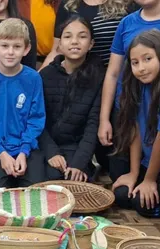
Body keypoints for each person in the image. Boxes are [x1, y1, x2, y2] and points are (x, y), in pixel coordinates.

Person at [98, 0, 160, 148]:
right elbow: (113, 73)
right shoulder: (126, 23)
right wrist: (104, 119)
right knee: (122, 168)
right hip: (128, 113)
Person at [109, 30, 160, 218]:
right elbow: (135, 129)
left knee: (144, 206)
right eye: (135, 63)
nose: (141, 68)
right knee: (121, 195)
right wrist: (134, 173)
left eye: (148, 59)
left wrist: (149, 180)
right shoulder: (139, 82)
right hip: (151, 162)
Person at [0, 18, 51, 189]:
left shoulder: (33, 78)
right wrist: (2, 153)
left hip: (27, 148)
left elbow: (36, 119)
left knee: (35, 191)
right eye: (5, 46)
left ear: (26, 49)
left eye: (17, 47)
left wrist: (23, 152)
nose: (10, 52)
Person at [41, 0, 160, 70]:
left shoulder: (128, 3)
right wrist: (35, 79)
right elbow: (57, 50)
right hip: (79, 81)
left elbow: (158, 11)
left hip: (121, 80)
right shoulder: (69, 5)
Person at [39, 15, 103, 182]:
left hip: (77, 148)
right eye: (68, 36)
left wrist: (79, 163)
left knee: (75, 181)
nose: (75, 41)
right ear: (59, 44)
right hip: (48, 145)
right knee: (48, 179)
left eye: (82, 36)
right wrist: (51, 152)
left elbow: (93, 124)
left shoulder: (98, 77)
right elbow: (37, 120)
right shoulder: (45, 75)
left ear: (91, 44)